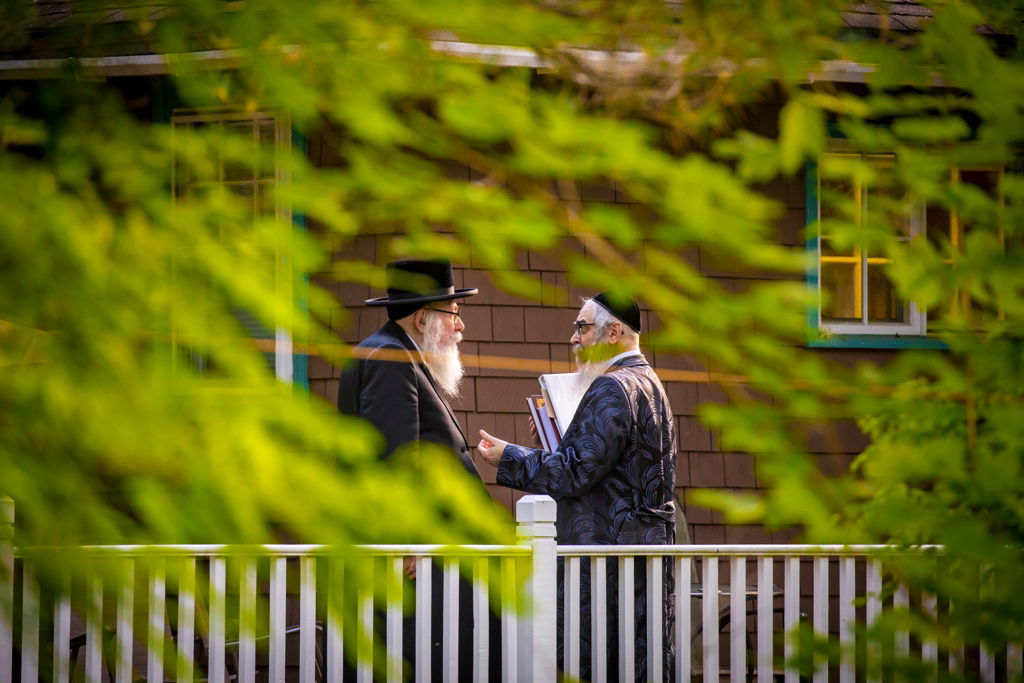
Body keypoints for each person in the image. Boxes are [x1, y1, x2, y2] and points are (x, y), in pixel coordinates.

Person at [476, 292, 677, 681]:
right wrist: (555, 442)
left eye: (582, 328)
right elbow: (611, 468)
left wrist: (508, 456)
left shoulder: (611, 387)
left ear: (614, 331)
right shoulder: (650, 383)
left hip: (607, 563)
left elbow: (574, 473)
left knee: (598, 665)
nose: (573, 338)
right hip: (643, 558)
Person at [338, 258, 496, 681]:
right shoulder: (391, 358)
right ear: (424, 317)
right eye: (454, 314)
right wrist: (402, 538)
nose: (460, 327)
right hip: (419, 562)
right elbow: (394, 453)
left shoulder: (391, 351)